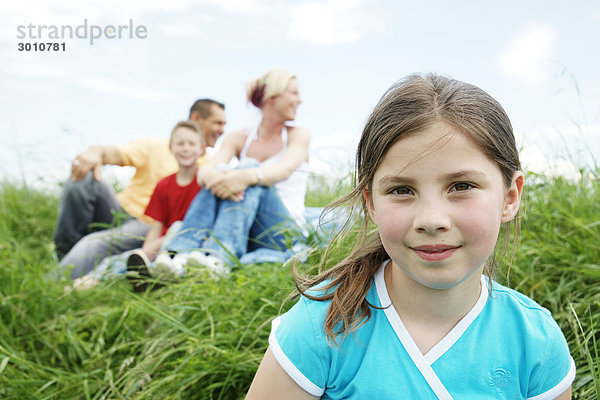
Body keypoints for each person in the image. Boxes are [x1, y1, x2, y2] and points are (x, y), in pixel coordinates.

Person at [246, 73, 575, 399]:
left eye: (462, 186)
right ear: (371, 203)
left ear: (510, 197)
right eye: (402, 190)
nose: (431, 220)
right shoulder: (321, 325)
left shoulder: (536, 343)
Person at [149, 68, 310, 274]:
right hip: (246, 229)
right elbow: (206, 170)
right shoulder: (238, 138)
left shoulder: (299, 135)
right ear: (272, 96)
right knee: (224, 169)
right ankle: (181, 254)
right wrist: (219, 178)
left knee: (249, 168)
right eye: (294, 93)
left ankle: (219, 256)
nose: (300, 100)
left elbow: (283, 170)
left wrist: (244, 176)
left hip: (284, 232)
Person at [54, 99, 226, 280]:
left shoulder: (208, 169)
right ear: (197, 118)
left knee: (95, 243)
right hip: (119, 210)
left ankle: (58, 280)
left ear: (199, 150)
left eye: (224, 124)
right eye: (218, 123)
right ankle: (64, 254)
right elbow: (113, 153)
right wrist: (94, 153)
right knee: (83, 177)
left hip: (147, 225)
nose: (222, 130)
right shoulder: (155, 147)